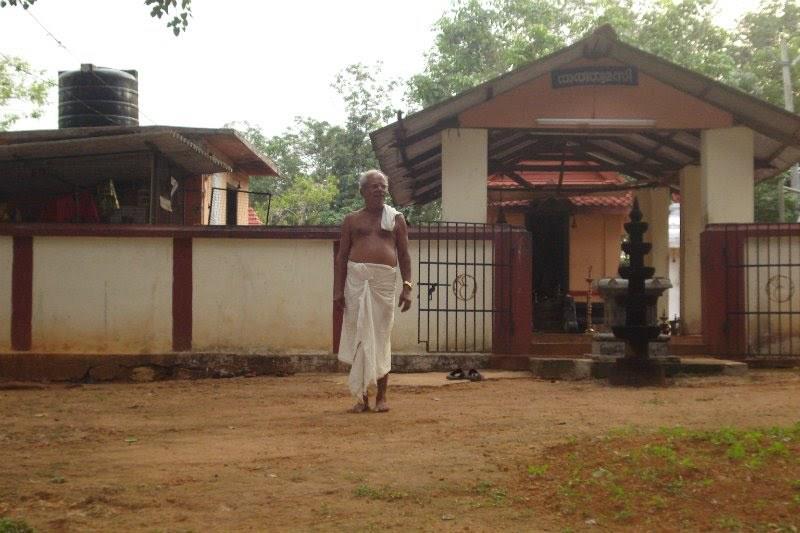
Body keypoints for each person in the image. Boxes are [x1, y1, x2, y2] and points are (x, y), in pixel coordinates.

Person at [334, 169, 412, 413]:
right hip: (356, 283)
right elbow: (342, 257)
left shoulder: (396, 218)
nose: (379, 189)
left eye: (382, 186)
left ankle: (382, 397)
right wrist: (337, 291)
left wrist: (407, 286)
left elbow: (404, 254)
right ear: (363, 191)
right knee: (359, 336)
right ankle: (362, 398)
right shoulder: (351, 220)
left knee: (380, 336)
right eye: (373, 186)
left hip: (383, 284)